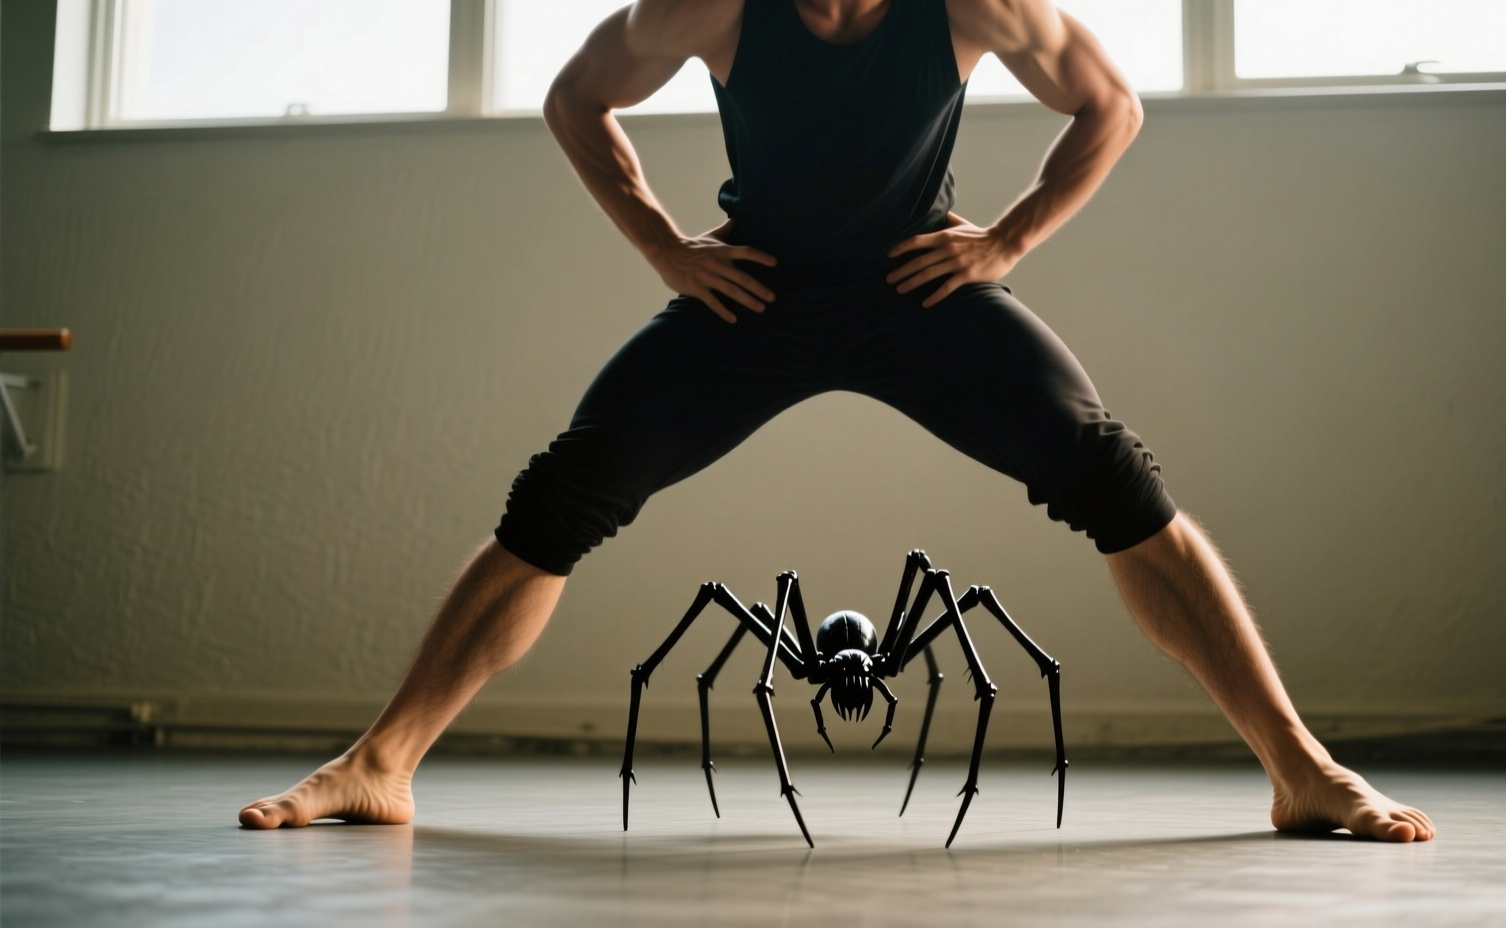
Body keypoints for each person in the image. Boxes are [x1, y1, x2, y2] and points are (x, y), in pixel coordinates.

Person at [239, 0, 1435, 843]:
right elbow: (574, 97)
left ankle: (1299, 770)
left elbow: (1108, 105)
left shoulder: (973, 3)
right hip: (755, 293)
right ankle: (381, 765)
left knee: (1112, 478)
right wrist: (663, 246)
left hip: (917, 292)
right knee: (562, 494)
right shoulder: (711, 5)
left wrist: (1007, 239)